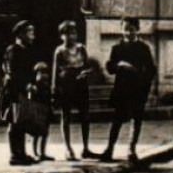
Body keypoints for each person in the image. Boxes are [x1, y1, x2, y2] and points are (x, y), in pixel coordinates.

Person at [101, 16, 157, 163]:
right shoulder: (117, 48)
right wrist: (118, 65)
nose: (128, 33)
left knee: (136, 120)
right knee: (117, 120)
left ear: (137, 30)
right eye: (125, 29)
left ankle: (131, 149)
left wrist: (144, 85)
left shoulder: (143, 48)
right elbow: (110, 68)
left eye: (131, 29)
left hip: (138, 90)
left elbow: (151, 70)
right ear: (121, 30)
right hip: (122, 90)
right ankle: (109, 149)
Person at [51, 20, 99, 160]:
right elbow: (55, 72)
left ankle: (86, 148)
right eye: (68, 33)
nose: (72, 36)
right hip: (67, 85)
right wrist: (54, 90)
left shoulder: (81, 48)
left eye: (74, 33)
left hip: (81, 83)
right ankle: (68, 148)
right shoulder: (59, 51)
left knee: (85, 116)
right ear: (62, 36)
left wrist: (86, 72)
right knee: (66, 116)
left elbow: (89, 67)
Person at [0, 20, 39, 166]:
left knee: (20, 121)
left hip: (21, 90)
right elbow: (12, 72)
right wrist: (26, 85)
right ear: (21, 34)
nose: (33, 35)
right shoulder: (13, 50)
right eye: (30, 32)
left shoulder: (24, 49)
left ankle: (21, 153)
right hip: (13, 90)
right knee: (14, 122)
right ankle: (14, 155)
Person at [26, 61, 54, 162]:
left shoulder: (47, 86)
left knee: (45, 132)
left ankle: (42, 153)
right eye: (41, 72)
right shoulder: (34, 87)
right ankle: (35, 153)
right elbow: (31, 99)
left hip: (45, 110)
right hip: (37, 110)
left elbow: (49, 98)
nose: (43, 75)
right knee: (36, 132)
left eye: (45, 72)